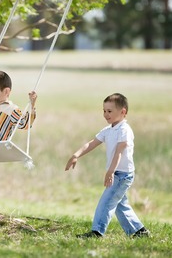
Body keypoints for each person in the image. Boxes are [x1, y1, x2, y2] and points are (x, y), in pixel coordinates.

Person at [65, 93, 150, 238]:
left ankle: (97, 231)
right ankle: (139, 231)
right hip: (116, 173)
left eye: (109, 111)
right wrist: (76, 155)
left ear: (123, 112)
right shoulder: (109, 130)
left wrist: (110, 171)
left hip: (122, 175)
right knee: (119, 205)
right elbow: (92, 143)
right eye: (104, 111)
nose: (105, 114)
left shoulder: (124, 130)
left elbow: (119, 152)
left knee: (106, 202)